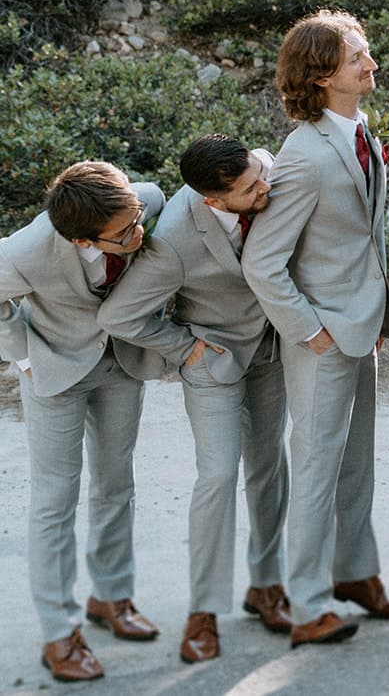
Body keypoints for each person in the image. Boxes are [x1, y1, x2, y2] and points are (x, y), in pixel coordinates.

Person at [242, 9, 389, 647]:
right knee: (315, 468)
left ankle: (356, 574)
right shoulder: (305, 156)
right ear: (321, 77)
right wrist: (309, 331)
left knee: (355, 462)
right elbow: (263, 260)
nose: (371, 63)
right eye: (357, 56)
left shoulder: (358, 128)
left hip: (360, 327)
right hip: (323, 338)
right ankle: (308, 603)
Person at [98, 135, 292, 663]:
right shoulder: (175, 243)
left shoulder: (263, 170)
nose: (265, 187)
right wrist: (185, 348)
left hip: (272, 352)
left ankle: (267, 585)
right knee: (219, 475)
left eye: (261, 173)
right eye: (251, 188)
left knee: (270, 467)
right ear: (213, 200)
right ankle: (203, 611)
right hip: (213, 362)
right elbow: (118, 317)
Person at [0, 162, 167, 682]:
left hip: (120, 363)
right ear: (79, 239)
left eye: (136, 218)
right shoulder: (24, 253)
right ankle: (60, 632)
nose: (138, 232)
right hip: (54, 370)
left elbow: (146, 211)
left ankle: (112, 598)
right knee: (54, 500)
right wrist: (22, 356)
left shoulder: (146, 201)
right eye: (124, 233)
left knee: (118, 482)